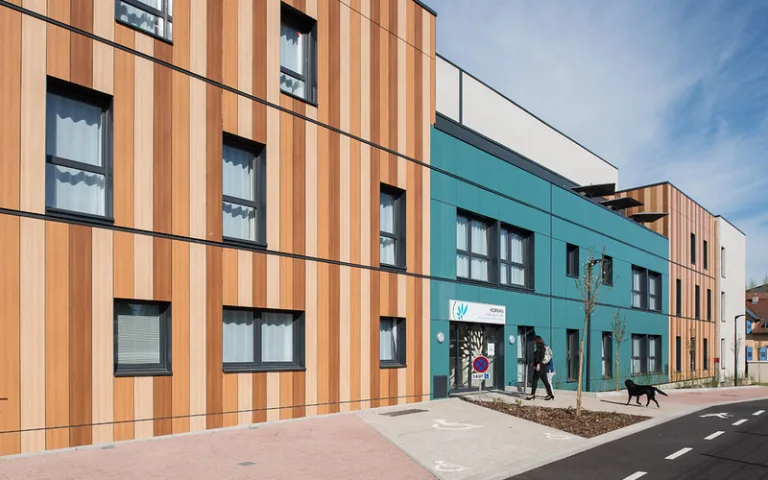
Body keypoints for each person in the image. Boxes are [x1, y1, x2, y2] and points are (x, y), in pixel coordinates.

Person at [527, 335, 555, 401]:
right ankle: (551, 395)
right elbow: (538, 356)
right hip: (543, 365)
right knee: (545, 381)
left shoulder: (541, 347)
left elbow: (541, 356)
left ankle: (532, 395)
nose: (534, 342)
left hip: (541, 365)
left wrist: (538, 364)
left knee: (535, 379)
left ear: (537, 340)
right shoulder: (541, 347)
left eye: (534, 340)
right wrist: (534, 363)